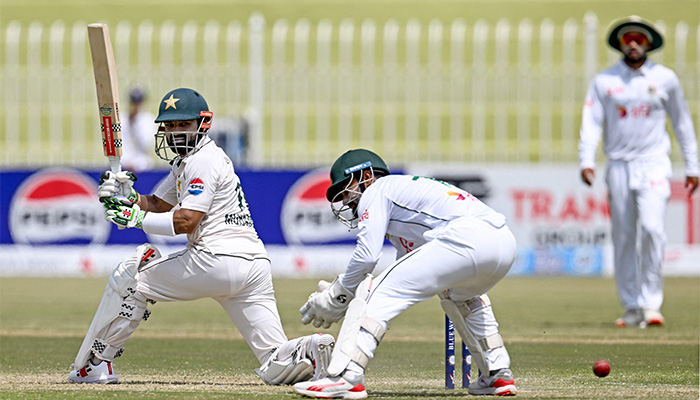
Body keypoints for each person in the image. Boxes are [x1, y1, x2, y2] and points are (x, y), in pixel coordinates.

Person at [69, 88, 334, 385]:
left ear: (203, 123)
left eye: (183, 124)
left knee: (132, 280)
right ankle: (312, 347)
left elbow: (186, 221)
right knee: (274, 359)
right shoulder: (187, 160)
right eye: (170, 126)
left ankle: (95, 364)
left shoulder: (203, 160)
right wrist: (128, 197)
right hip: (254, 266)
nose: (175, 132)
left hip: (214, 259)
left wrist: (135, 219)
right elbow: (157, 203)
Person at [292, 149, 518, 398]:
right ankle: (497, 372)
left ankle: (347, 375)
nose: (345, 200)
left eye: (346, 188)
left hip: (466, 237)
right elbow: (410, 270)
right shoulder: (404, 203)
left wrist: (340, 294)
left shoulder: (378, 190)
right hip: (503, 243)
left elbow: (368, 256)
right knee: (463, 298)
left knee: (378, 292)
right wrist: (345, 295)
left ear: (366, 175)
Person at [578, 16, 699, 328]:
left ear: (648, 44)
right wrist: (586, 160)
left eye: (639, 39)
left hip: (654, 163)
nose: (633, 44)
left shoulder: (665, 78)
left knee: (652, 228)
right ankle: (631, 305)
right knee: (624, 235)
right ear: (620, 43)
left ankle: (651, 305)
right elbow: (592, 121)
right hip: (618, 164)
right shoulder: (605, 80)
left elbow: (682, 123)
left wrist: (692, 165)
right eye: (627, 38)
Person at [120, 85, 156, 172]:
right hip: (123, 164)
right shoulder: (121, 118)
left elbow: (146, 143)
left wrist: (135, 122)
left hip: (142, 165)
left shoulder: (148, 119)